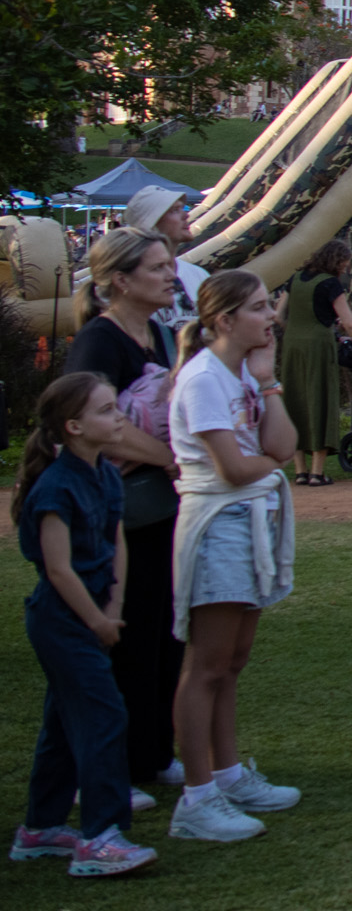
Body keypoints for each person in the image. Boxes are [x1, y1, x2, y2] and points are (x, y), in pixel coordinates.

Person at [166, 270, 301, 843]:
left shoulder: (242, 373)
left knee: (233, 661)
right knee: (207, 665)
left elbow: (284, 444)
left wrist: (268, 383)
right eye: (259, 308)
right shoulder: (202, 380)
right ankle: (197, 798)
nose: (271, 316)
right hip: (219, 523)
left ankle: (227, 776)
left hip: (247, 520)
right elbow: (237, 468)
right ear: (224, 320)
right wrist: (272, 467)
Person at [11, 372, 159, 877]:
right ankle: (100, 838)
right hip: (61, 620)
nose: (119, 417)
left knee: (61, 724)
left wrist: (113, 605)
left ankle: (40, 828)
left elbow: (116, 541)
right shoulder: (55, 487)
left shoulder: (106, 475)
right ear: (73, 427)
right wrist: (97, 620)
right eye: (106, 411)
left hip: (92, 614)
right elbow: (58, 570)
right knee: (103, 716)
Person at [62, 227, 183, 805]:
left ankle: (151, 753)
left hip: (157, 506)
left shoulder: (160, 335)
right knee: (125, 635)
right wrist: (166, 454)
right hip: (116, 511)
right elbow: (95, 425)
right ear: (120, 280)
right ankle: (105, 770)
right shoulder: (99, 342)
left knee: (161, 633)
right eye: (157, 267)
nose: (170, 274)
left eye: (169, 264)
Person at [280, 237, 352, 487]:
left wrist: (296, 331)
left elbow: (278, 315)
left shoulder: (295, 279)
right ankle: (317, 472)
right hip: (319, 345)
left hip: (292, 345)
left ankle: (300, 471)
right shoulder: (330, 284)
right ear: (336, 260)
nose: (346, 267)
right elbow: (350, 323)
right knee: (321, 399)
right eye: (345, 262)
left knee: (295, 401)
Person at [122, 186, 207, 336]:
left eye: (182, 208)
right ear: (151, 224)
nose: (186, 215)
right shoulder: (130, 282)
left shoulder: (199, 276)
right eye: (174, 210)